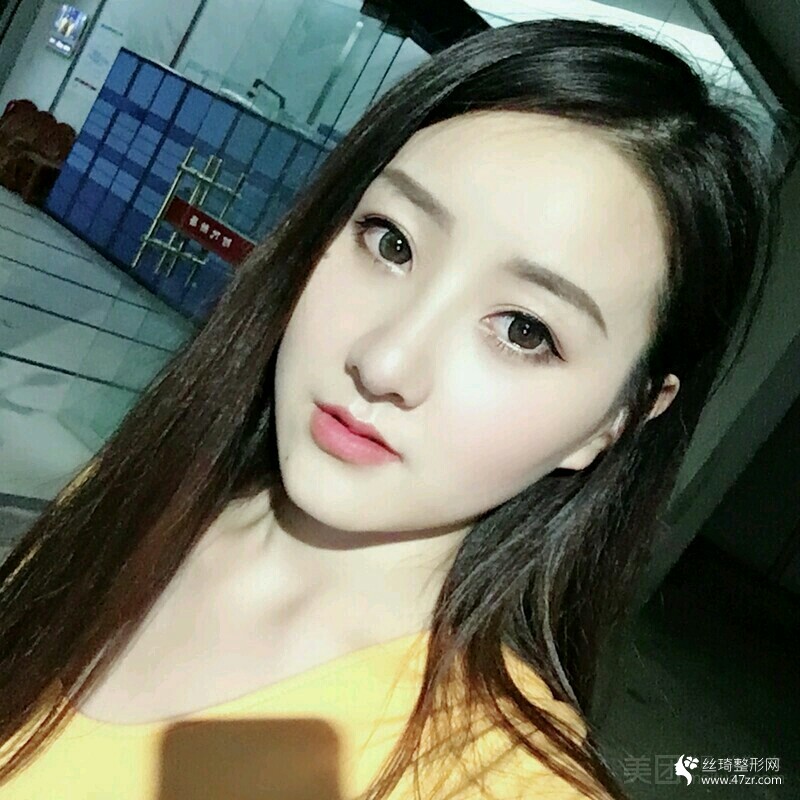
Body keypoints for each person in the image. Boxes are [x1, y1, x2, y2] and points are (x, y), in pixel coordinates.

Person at [0, 16, 778, 800]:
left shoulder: (500, 784)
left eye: (524, 330)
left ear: (618, 421)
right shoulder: (144, 492)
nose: (384, 362)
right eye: (391, 243)